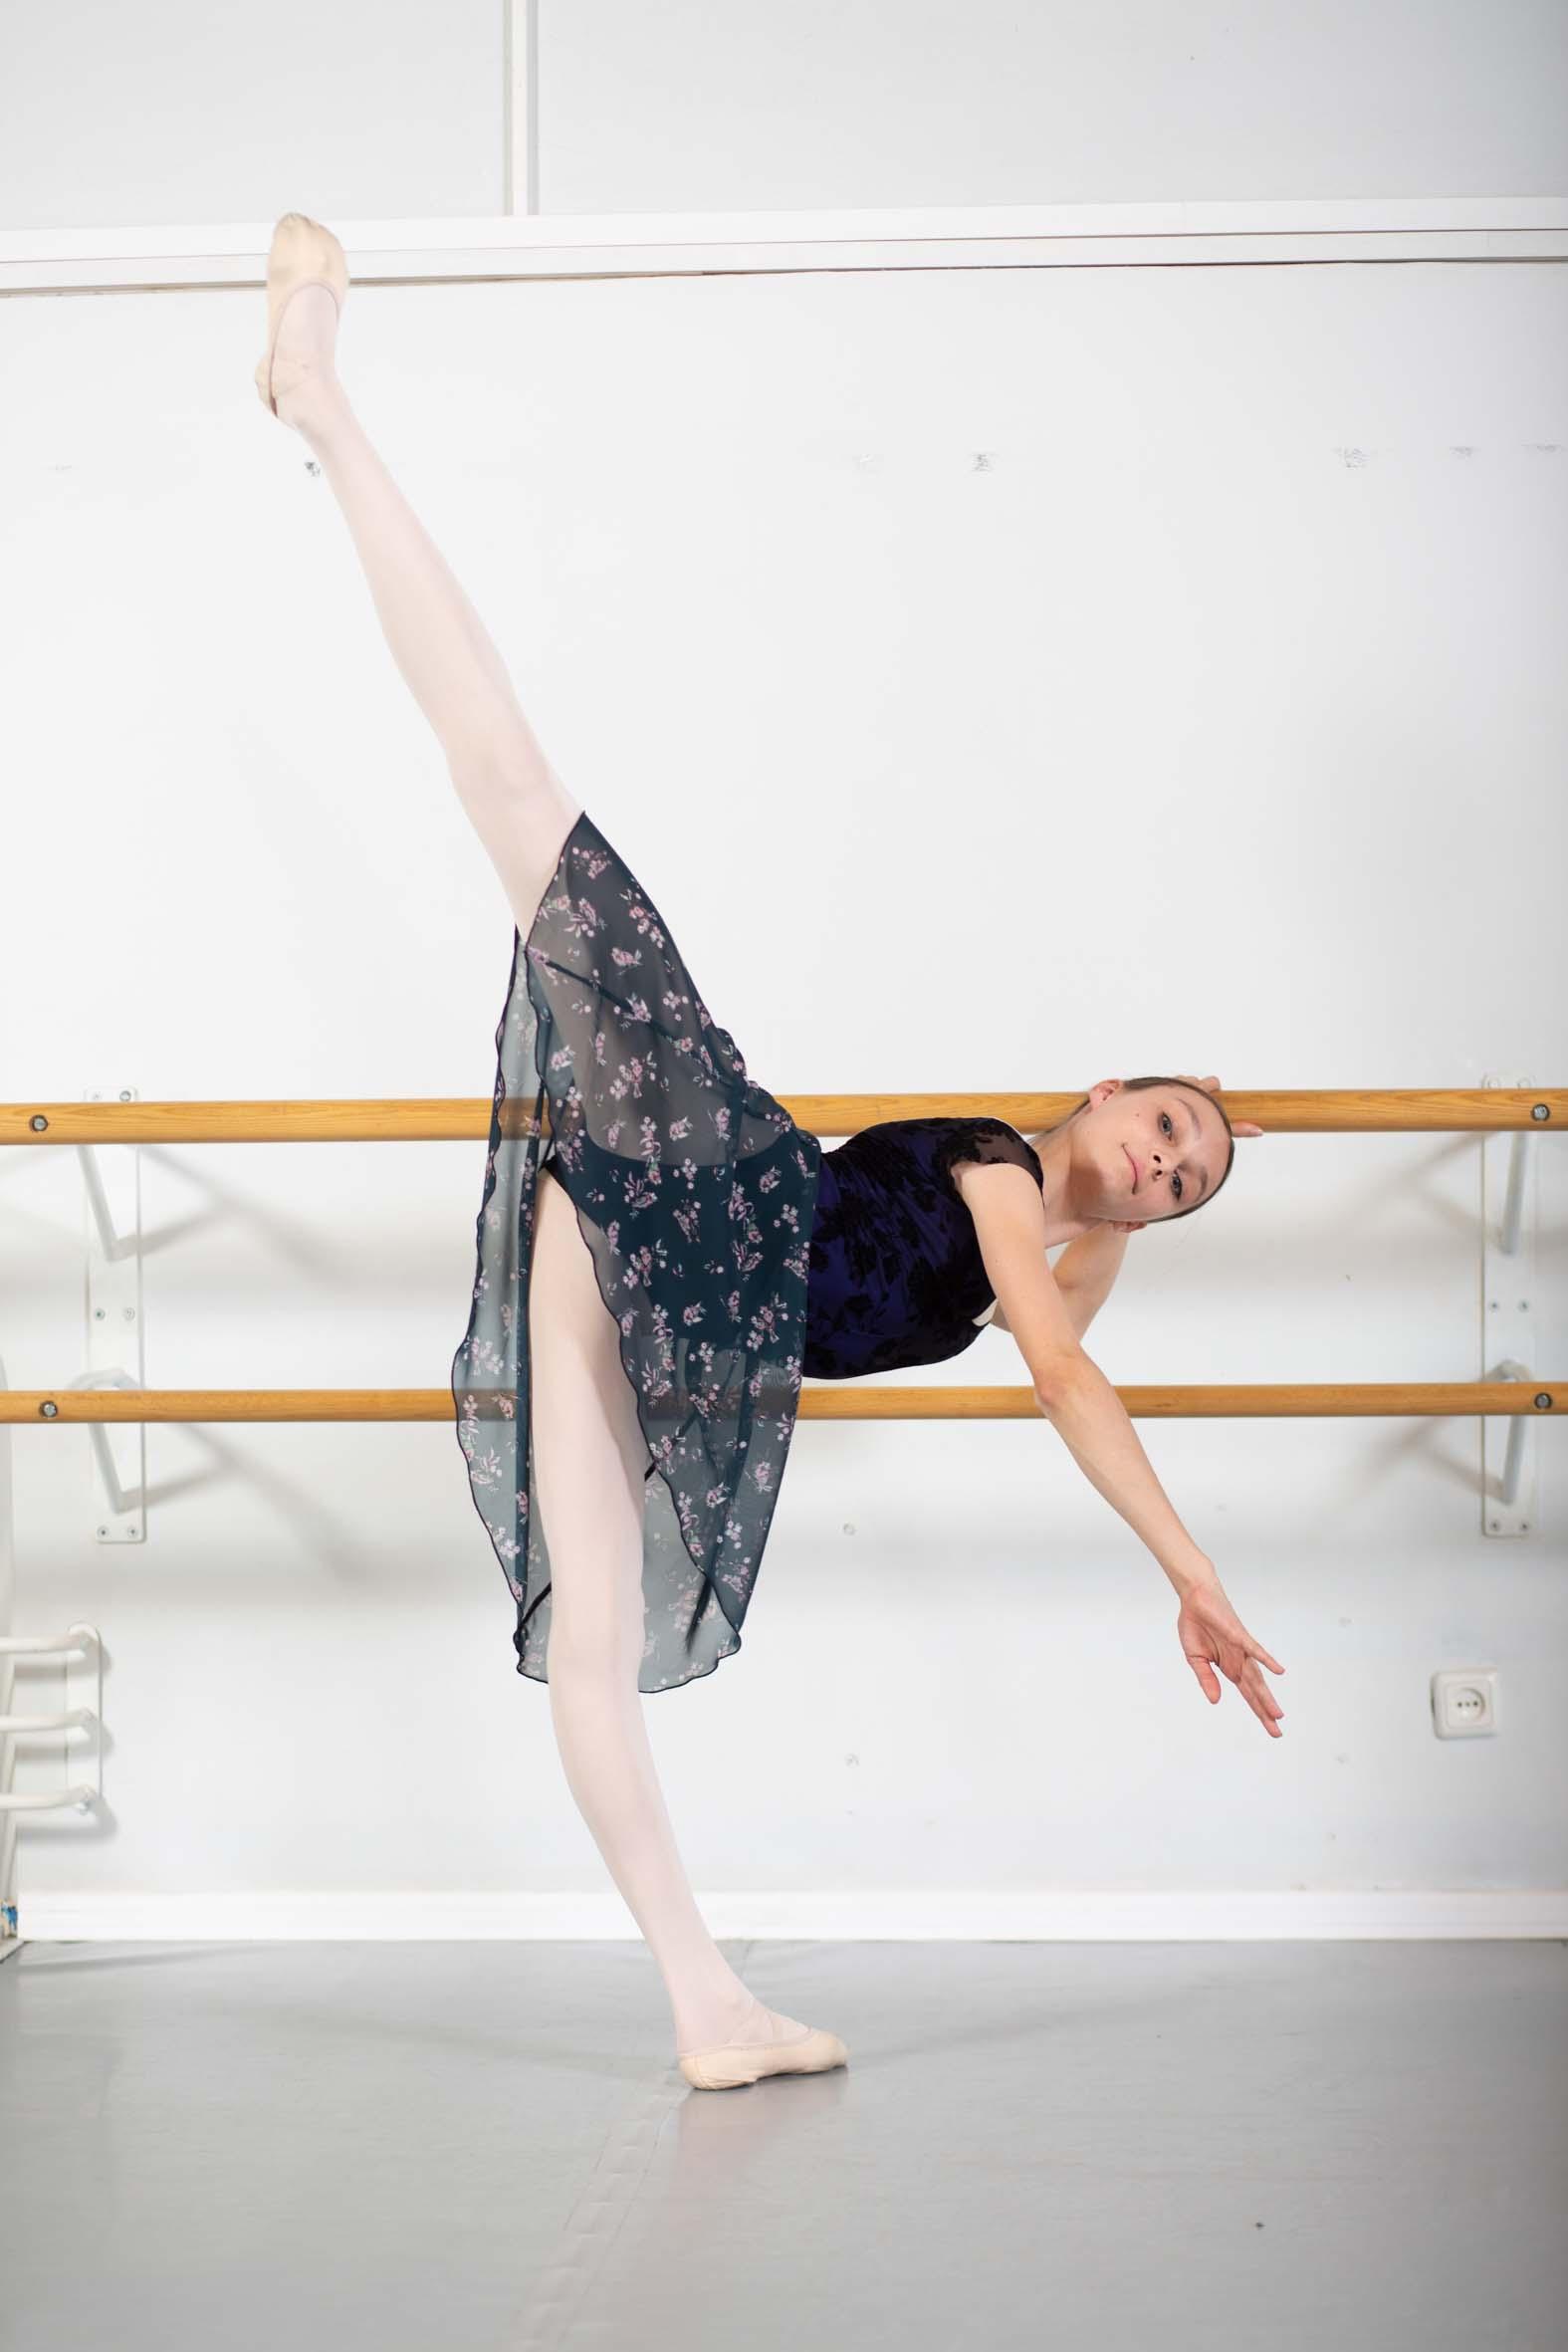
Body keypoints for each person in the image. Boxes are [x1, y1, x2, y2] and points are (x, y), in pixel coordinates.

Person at [253, 215, 1283, 2091]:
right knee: (521, 797)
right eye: (1163, 1127)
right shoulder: (994, 1165)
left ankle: (703, 2006)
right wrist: (1192, 1566)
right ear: (1103, 1091)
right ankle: (319, 395)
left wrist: (1124, 1263)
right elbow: (1063, 1374)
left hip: (652, 1281)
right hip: (700, 1169)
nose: (1163, 1166)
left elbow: (1060, 1331)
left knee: (594, 1639)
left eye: (1188, 1177)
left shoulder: (1057, 1251)